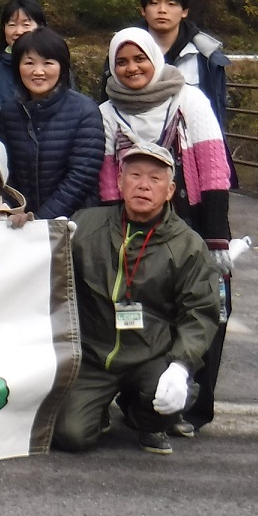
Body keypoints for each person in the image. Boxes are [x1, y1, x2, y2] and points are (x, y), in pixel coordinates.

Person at [100, 26, 235, 436]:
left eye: (139, 58)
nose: (131, 68)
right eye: (121, 61)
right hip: (136, 228)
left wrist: (215, 241)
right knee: (141, 311)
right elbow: (108, 180)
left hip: (191, 222)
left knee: (205, 309)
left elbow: (213, 169)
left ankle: (195, 407)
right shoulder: (108, 112)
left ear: (155, 59)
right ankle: (146, 402)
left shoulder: (188, 99)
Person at [52, 141, 222, 457]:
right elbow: (47, 266)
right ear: (119, 182)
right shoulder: (85, 224)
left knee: (168, 398)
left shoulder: (188, 246)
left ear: (170, 190)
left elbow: (200, 313)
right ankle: (97, 407)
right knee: (70, 436)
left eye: (155, 179)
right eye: (135, 175)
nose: (143, 185)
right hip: (95, 355)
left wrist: (181, 366)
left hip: (151, 354)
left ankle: (145, 417)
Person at [0, 27, 104, 221]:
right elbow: (5, 170)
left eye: (48, 63)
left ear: (62, 66)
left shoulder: (85, 110)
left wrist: (41, 219)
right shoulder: (10, 111)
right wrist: (14, 210)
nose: (38, 71)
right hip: (20, 222)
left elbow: (82, 176)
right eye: (29, 63)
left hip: (74, 221)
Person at [139, 0, 233, 134]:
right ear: (143, 10)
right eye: (154, 3)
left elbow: (216, 114)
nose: (162, 10)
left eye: (171, 4)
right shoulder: (124, 54)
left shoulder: (205, 58)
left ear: (184, 11)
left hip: (191, 145)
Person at [0, 0, 47, 109]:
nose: (18, 31)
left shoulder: (54, 68)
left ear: (40, 27)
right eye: (12, 25)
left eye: (26, 25)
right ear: (4, 29)